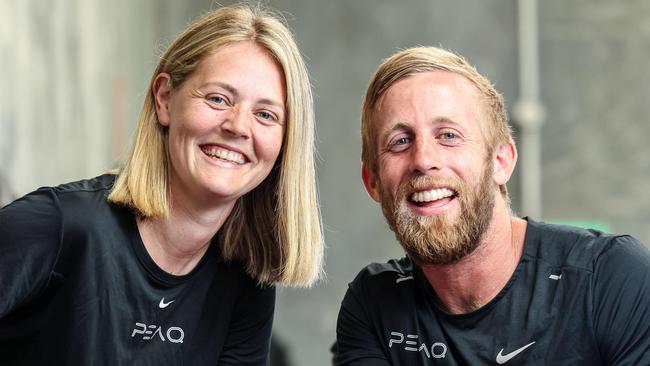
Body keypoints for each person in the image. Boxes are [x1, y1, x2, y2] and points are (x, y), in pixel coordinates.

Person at [0, 4, 323, 365]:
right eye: (218, 99)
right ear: (165, 99)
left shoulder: (244, 285)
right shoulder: (59, 225)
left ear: (285, 142)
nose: (238, 126)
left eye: (265, 114)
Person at [334, 46, 650, 365]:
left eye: (448, 135)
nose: (424, 160)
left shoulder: (611, 279)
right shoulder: (373, 306)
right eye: (400, 142)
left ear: (501, 161)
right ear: (372, 181)